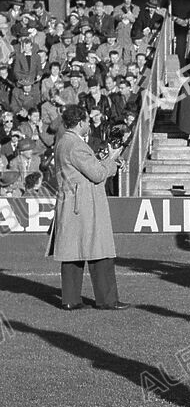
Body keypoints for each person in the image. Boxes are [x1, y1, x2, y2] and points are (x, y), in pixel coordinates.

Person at [45, 105, 129, 311]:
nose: (89, 124)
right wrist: (112, 158)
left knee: (72, 254)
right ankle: (107, 299)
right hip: (85, 203)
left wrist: (110, 161)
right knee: (100, 251)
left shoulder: (64, 141)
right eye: (87, 121)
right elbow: (97, 175)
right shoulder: (76, 145)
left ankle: (70, 299)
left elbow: (88, 168)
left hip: (72, 202)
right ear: (81, 122)